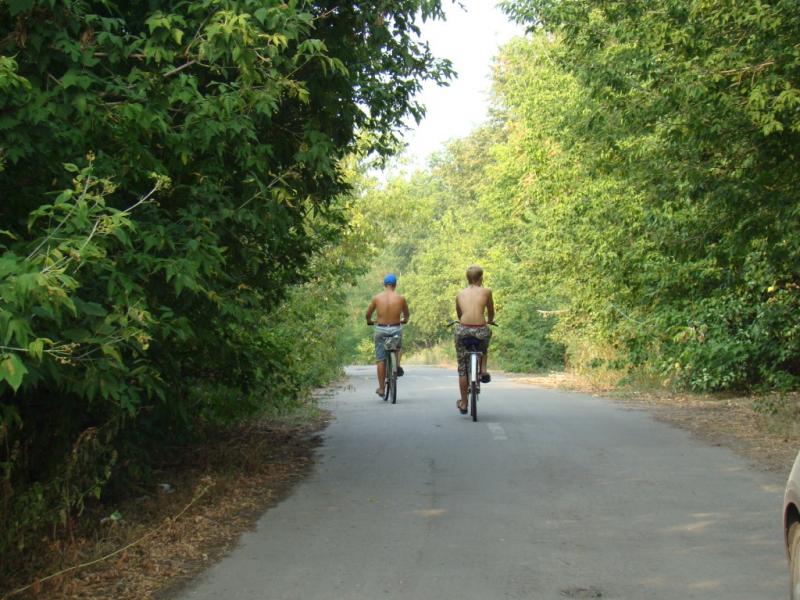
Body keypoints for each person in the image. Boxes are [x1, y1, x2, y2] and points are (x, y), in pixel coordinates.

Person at [454, 265, 495, 414]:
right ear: (481, 278)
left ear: (467, 278)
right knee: (484, 342)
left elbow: (459, 315)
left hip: (463, 329)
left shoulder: (460, 294)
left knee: (462, 369)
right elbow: (491, 311)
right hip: (480, 329)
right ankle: (483, 369)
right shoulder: (487, 292)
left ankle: (464, 403)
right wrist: (489, 320)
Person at [365, 273, 410, 397]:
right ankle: (396, 365)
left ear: (384, 285)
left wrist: (369, 321)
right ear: (395, 285)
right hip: (395, 329)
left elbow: (368, 314)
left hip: (381, 330)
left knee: (380, 359)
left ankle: (381, 388)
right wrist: (404, 320)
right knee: (399, 347)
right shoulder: (401, 298)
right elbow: (407, 314)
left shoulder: (377, 298)